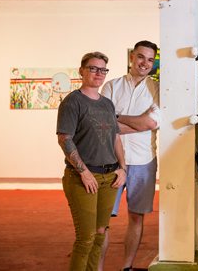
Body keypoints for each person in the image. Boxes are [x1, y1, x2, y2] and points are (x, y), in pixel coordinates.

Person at [57, 51, 127, 271]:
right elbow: (65, 139)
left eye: (103, 69)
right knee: (85, 238)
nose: (99, 73)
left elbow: (115, 137)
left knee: (99, 234)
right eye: (93, 68)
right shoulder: (72, 102)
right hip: (83, 178)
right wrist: (84, 172)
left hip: (109, 178)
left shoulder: (107, 104)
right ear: (81, 71)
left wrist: (123, 168)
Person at [100, 40, 160, 271]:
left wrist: (118, 118)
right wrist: (138, 122)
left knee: (136, 217)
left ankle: (127, 266)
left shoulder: (157, 89)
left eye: (150, 59)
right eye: (141, 57)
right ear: (131, 58)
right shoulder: (111, 86)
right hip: (110, 162)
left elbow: (151, 122)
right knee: (102, 221)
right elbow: (103, 125)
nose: (145, 63)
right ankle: (99, 267)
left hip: (144, 162)